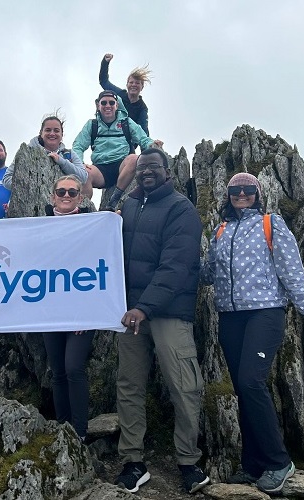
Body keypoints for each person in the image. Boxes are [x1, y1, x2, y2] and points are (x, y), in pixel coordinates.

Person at [200, 172, 304, 494]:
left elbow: (291, 272)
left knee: (251, 381)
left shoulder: (270, 224)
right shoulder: (221, 230)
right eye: (235, 189)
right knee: (243, 390)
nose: (241, 194)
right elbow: (208, 274)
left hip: (266, 313)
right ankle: (253, 464)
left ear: (257, 193)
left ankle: (279, 462)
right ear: (228, 194)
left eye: (248, 189)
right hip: (230, 317)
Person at [114, 148, 210, 494]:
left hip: (168, 312)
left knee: (184, 386)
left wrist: (145, 306)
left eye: (154, 166)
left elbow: (176, 265)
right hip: (130, 314)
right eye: (142, 168)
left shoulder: (181, 209)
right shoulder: (126, 207)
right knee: (129, 385)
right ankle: (133, 461)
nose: (147, 172)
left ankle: (188, 461)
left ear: (168, 171)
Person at [39, 175, 94, 440]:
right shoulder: (41, 226)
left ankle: (80, 432)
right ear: (52, 196)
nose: (67, 195)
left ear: (80, 198)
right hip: (51, 311)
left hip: (81, 314)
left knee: (73, 368)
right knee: (57, 371)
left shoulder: (90, 225)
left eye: (73, 192)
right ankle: (63, 428)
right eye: (61, 191)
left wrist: (86, 313)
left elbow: (98, 269)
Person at [72, 91, 163, 211]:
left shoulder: (126, 122)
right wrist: (80, 164)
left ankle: (114, 199)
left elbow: (143, 138)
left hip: (122, 166)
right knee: (84, 173)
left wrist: (152, 144)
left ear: (117, 105)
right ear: (98, 106)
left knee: (134, 159)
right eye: (103, 103)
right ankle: (83, 209)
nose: (107, 106)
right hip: (101, 169)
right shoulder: (92, 125)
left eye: (111, 102)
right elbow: (78, 146)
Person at [2, 115, 88, 192]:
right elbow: (6, 179)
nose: (52, 133)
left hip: (62, 204)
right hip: (30, 203)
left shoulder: (69, 154)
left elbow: (83, 178)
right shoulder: (26, 152)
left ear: (62, 134)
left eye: (56, 130)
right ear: (41, 133)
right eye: (48, 130)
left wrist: (62, 162)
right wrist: (32, 184)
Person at [98, 53, 151, 135]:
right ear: (127, 85)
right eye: (131, 82)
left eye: (137, 83)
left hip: (127, 142)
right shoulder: (120, 94)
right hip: (109, 134)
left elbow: (143, 130)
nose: (133, 85)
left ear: (142, 87)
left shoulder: (142, 108)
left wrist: (150, 145)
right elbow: (103, 81)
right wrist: (105, 62)